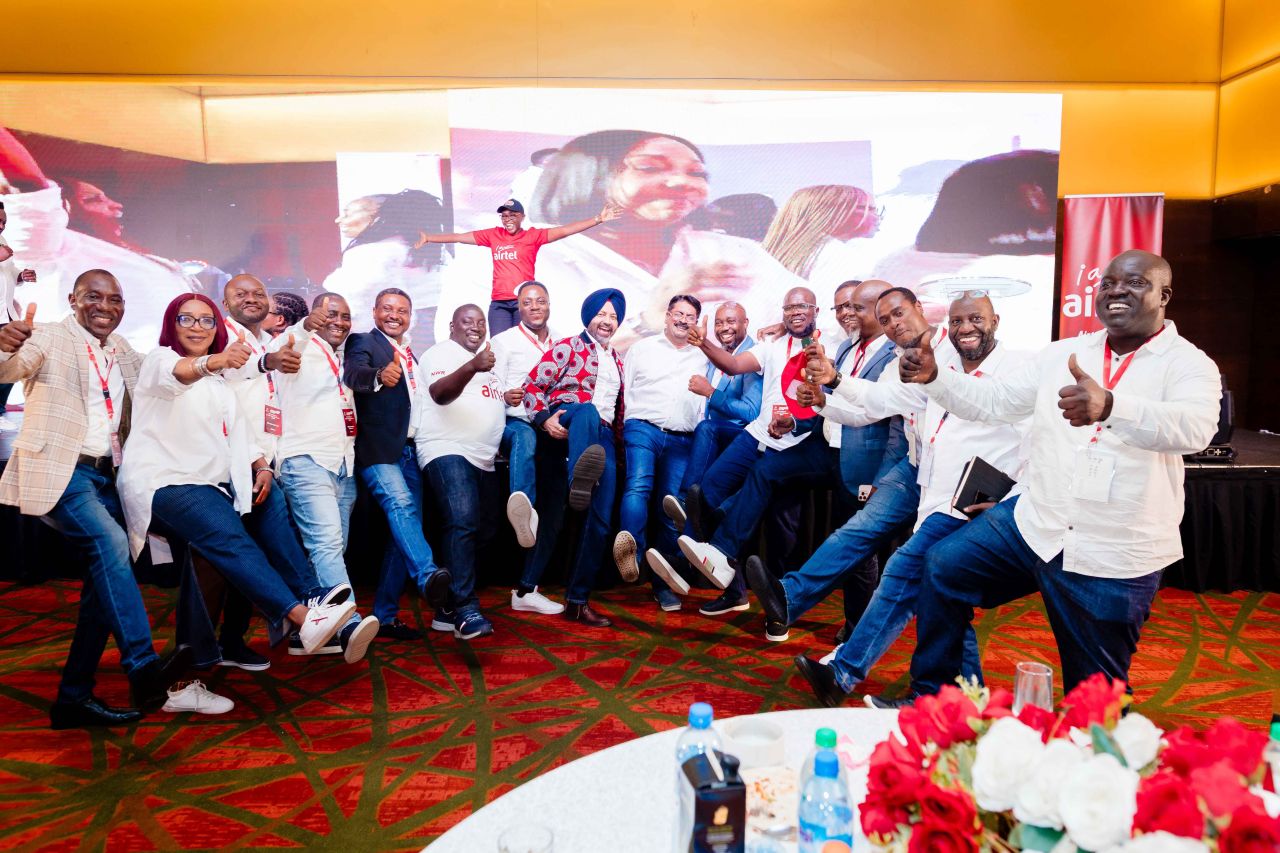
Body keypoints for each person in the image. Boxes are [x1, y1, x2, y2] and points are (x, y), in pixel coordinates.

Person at [870, 250, 1220, 706]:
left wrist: (1112, 407)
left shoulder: (1189, 363)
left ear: (1164, 295)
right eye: (1108, 283)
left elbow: (1196, 430)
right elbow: (995, 402)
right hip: (1036, 522)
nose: (1116, 291)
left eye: (1134, 283)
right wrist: (936, 378)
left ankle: (1093, 739)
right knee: (941, 568)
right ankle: (940, 700)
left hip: (1113, 549)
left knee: (1094, 698)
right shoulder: (1063, 354)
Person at [781, 292, 1028, 706]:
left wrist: (1012, 502)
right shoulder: (941, 369)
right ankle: (967, 695)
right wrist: (835, 381)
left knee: (902, 573)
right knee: (945, 593)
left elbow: (1039, 442)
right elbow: (884, 400)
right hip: (938, 498)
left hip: (976, 505)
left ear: (996, 320)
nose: (966, 328)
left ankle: (844, 673)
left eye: (976, 318)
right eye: (958, 321)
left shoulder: (1019, 370)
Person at [115, 293, 365, 669]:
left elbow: (239, 435)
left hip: (210, 484)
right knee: (228, 534)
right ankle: (301, 617)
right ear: (171, 325)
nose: (197, 327)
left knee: (266, 505)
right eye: (186, 319)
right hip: (164, 483)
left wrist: (262, 467)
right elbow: (180, 374)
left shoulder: (219, 385)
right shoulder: (161, 359)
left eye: (206, 320)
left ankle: (309, 596)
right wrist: (216, 360)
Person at [0, 270, 196, 728]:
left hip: (107, 476)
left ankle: (73, 698)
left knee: (103, 584)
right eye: (93, 297)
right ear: (73, 300)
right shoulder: (47, 335)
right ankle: (143, 667)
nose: (105, 306)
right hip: (62, 469)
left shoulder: (124, 350)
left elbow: (167, 380)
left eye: (115, 299)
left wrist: (216, 362)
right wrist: (4, 344)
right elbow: (9, 368)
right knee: (110, 543)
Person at [665, 281, 901, 621]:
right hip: (814, 444)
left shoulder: (860, 347)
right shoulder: (845, 348)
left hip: (853, 458)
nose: (847, 313)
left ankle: (852, 624)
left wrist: (881, 475)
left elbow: (878, 414)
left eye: (855, 307)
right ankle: (715, 551)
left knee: (849, 546)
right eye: (842, 308)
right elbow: (821, 399)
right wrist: (797, 417)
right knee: (754, 479)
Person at [436, 130, 806, 345]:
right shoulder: (510, 259)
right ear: (590, 176)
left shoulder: (736, 252)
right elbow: (481, 356)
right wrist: (646, 322)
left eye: (696, 173)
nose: (681, 182)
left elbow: (809, 321)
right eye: (650, 167)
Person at [0, 128, 199, 345]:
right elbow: (25, 184)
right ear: (62, 210)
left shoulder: (132, 259)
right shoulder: (39, 248)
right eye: (94, 200)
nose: (115, 205)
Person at [272, 293, 383, 662]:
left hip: (343, 464)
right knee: (326, 545)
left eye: (346, 316)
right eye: (330, 314)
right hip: (305, 459)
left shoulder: (341, 356)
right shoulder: (295, 344)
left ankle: (306, 632)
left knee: (329, 549)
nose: (339, 322)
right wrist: (306, 326)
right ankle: (348, 624)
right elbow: (281, 347)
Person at [343, 289, 453, 638]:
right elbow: (353, 373)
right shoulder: (363, 342)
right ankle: (427, 576)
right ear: (375, 311)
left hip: (409, 452)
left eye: (402, 310)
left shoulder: (411, 355)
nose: (395, 315)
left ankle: (386, 617)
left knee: (402, 533)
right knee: (401, 505)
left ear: (410, 316)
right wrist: (378, 376)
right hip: (377, 449)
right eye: (388, 309)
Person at [211, 274, 305, 669]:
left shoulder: (268, 340)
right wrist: (257, 463)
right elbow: (232, 377)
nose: (251, 299)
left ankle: (232, 641)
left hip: (264, 463)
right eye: (241, 294)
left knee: (248, 555)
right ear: (225, 302)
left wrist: (271, 461)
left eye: (259, 293)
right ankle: (313, 610)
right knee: (235, 556)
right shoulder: (218, 337)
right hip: (230, 465)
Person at [520, 288, 628, 627]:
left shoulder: (619, 361)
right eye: (601, 314)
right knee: (586, 411)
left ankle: (578, 601)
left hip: (602, 437)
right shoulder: (568, 346)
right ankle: (578, 481)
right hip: (567, 423)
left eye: (613, 316)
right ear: (588, 316)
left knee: (601, 520)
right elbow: (531, 385)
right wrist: (543, 419)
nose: (607, 321)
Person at [612, 294, 710, 611]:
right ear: (667, 316)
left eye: (690, 316)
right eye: (678, 313)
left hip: (683, 438)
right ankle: (632, 553)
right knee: (638, 486)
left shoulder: (703, 356)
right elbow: (624, 390)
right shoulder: (642, 348)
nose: (683, 320)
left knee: (672, 509)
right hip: (643, 427)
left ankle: (661, 583)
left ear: (696, 322)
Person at [418, 305, 505, 637]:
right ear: (451, 325)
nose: (476, 327)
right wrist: (472, 365)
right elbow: (440, 394)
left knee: (487, 531)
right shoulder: (441, 353)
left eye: (481, 322)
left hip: (484, 459)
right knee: (463, 520)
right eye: (467, 321)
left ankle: (446, 608)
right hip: (447, 448)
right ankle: (466, 610)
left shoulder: (488, 363)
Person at [422, 197, 623, 335]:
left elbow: (564, 231)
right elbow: (459, 237)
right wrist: (429, 238)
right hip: (499, 304)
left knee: (525, 346)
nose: (508, 219)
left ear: (522, 218)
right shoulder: (493, 235)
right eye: (504, 216)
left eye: (512, 215)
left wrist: (598, 219)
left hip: (524, 304)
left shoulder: (533, 236)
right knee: (500, 347)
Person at [323, 190, 447, 340]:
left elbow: (353, 302)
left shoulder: (370, 253)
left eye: (348, 213)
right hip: (429, 326)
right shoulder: (421, 250)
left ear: (376, 216)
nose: (338, 220)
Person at [763, 186, 880, 339]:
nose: (876, 216)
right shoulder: (836, 255)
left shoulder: (790, 254)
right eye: (865, 208)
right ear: (829, 213)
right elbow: (830, 323)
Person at [490, 281, 554, 554]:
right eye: (527, 302)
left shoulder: (562, 341)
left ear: (549, 304)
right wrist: (504, 396)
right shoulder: (503, 341)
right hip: (515, 421)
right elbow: (490, 385)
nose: (534, 307)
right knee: (524, 437)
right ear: (518, 308)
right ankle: (523, 512)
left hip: (549, 421)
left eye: (540, 301)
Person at [0, 200, 38, 416]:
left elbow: (8, 271)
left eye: (4, 222)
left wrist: (21, 275)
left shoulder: (2, 241)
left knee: (13, 362)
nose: (1, 226)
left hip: (6, 315)